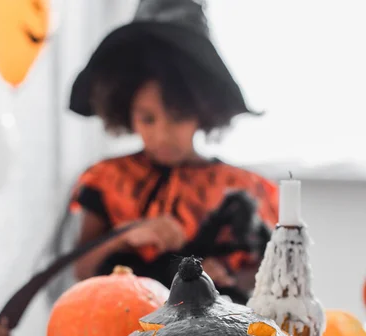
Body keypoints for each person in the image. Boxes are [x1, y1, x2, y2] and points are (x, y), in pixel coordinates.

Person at [69, 0, 278, 302]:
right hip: (126, 333)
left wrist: (226, 275)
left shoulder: (244, 189)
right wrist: (125, 236)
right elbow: (81, 269)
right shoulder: (107, 179)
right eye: (147, 119)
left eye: (178, 117)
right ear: (126, 112)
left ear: (203, 112)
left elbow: (268, 276)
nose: (162, 134)